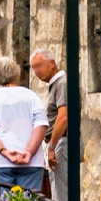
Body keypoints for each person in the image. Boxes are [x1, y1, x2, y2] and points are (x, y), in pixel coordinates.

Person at [0, 54, 47, 199]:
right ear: (16, 73)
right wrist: (28, 152)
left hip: (0, 162)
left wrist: (4, 151)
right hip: (31, 162)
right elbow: (41, 125)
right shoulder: (31, 96)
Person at [31, 51, 68, 191]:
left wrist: (52, 147)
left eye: (39, 66)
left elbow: (63, 117)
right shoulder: (57, 84)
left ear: (51, 63)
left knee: (61, 195)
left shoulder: (62, 83)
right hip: (59, 142)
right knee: (58, 191)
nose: (36, 71)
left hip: (62, 141)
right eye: (33, 68)